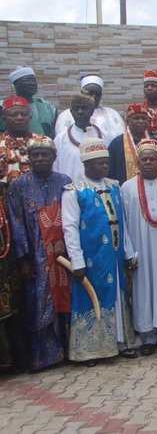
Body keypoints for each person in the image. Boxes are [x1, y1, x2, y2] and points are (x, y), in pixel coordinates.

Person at [61, 138, 136, 364]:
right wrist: (77, 261)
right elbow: (70, 228)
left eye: (106, 163)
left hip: (112, 255)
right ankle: (90, 349)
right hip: (90, 257)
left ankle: (119, 342)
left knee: (116, 297)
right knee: (92, 297)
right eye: (99, 163)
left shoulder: (114, 186)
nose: (104, 167)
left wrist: (129, 252)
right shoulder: (74, 192)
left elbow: (123, 222)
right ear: (87, 165)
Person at [7, 138, 72, 371]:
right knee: (38, 305)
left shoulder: (65, 182)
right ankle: (42, 357)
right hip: (37, 256)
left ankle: (67, 351)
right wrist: (23, 259)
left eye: (45, 155)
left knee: (66, 302)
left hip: (63, 255)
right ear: (29, 158)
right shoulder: (19, 186)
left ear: (54, 158)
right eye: (35, 155)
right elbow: (16, 223)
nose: (40, 159)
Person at [0, 96, 51, 372]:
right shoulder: (0, 144)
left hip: (40, 221)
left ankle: (43, 350)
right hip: (6, 224)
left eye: (23, 114)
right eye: (13, 115)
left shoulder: (40, 142)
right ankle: (17, 355)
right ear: (5, 117)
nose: (19, 118)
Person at [121, 139, 157, 356]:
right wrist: (128, 253)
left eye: (152, 159)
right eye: (143, 159)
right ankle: (147, 337)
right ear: (137, 161)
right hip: (140, 249)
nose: (147, 162)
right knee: (143, 289)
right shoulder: (126, 188)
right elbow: (124, 223)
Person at [55, 75, 125, 141]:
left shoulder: (112, 114)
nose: (94, 96)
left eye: (97, 94)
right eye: (90, 93)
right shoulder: (66, 115)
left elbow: (120, 138)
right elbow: (63, 138)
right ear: (82, 93)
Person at [53, 94, 105, 181]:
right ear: (71, 111)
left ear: (92, 111)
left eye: (84, 108)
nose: (80, 111)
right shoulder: (60, 140)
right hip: (70, 190)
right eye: (76, 108)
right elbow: (55, 169)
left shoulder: (105, 136)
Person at [4, 66, 57, 138]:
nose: (32, 83)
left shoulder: (47, 107)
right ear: (16, 84)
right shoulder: (6, 107)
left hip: (45, 146)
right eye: (27, 80)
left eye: (33, 80)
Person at [107, 104, 151, 184]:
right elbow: (110, 173)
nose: (140, 121)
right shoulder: (116, 144)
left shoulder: (154, 143)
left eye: (144, 118)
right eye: (136, 118)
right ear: (127, 121)